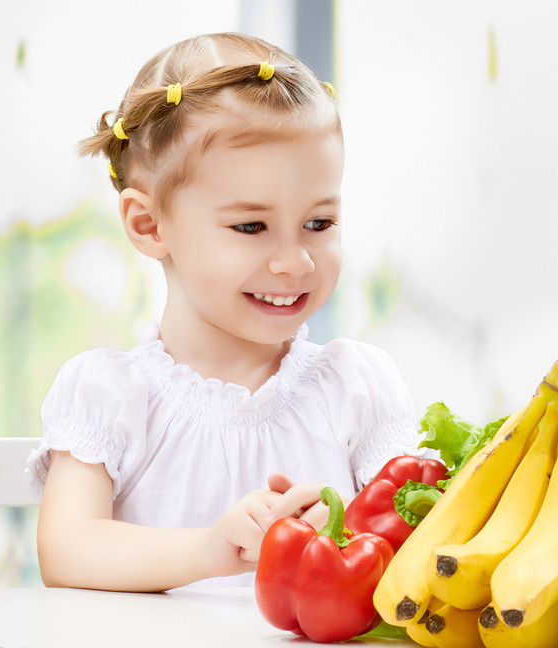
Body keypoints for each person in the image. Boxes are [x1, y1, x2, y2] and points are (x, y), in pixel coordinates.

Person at [26, 32, 424, 592]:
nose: (295, 261)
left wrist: (344, 527)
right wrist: (211, 548)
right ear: (149, 224)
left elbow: (419, 539)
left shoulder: (355, 387)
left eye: (319, 223)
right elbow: (67, 551)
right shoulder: (109, 394)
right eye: (250, 227)